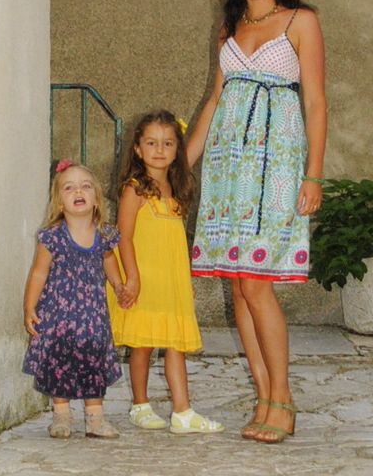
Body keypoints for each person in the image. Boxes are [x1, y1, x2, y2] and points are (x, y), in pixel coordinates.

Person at [187, 0, 327, 444]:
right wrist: (178, 169)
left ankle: (283, 398)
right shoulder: (229, 26)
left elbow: (316, 103)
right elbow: (214, 102)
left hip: (277, 167)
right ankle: (265, 396)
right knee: (238, 286)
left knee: (256, 284)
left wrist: (314, 173)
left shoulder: (300, 21)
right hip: (228, 169)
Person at [107, 110, 224, 434]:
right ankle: (140, 406)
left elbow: (174, 241)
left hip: (170, 281)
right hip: (143, 279)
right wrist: (132, 278)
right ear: (137, 148)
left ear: (177, 150)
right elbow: (123, 236)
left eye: (168, 143)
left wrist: (183, 280)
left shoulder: (176, 187)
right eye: (151, 143)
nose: (159, 149)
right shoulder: (135, 189)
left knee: (176, 343)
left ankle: (182, 412)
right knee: (142, 344)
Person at [23, 159, 133, 439]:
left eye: (85, 186)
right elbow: (38, 273)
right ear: (59, 202)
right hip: (58, 316)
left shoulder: (104, 235)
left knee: (93, 363)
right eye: (69, 188)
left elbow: (109, 261)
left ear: (96, 198)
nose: (78, 191)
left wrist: (118, 284)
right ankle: (61, 417)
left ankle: (95, 420)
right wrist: (29, 307)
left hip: (92, 317)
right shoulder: (52, 237)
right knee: (59, 364)